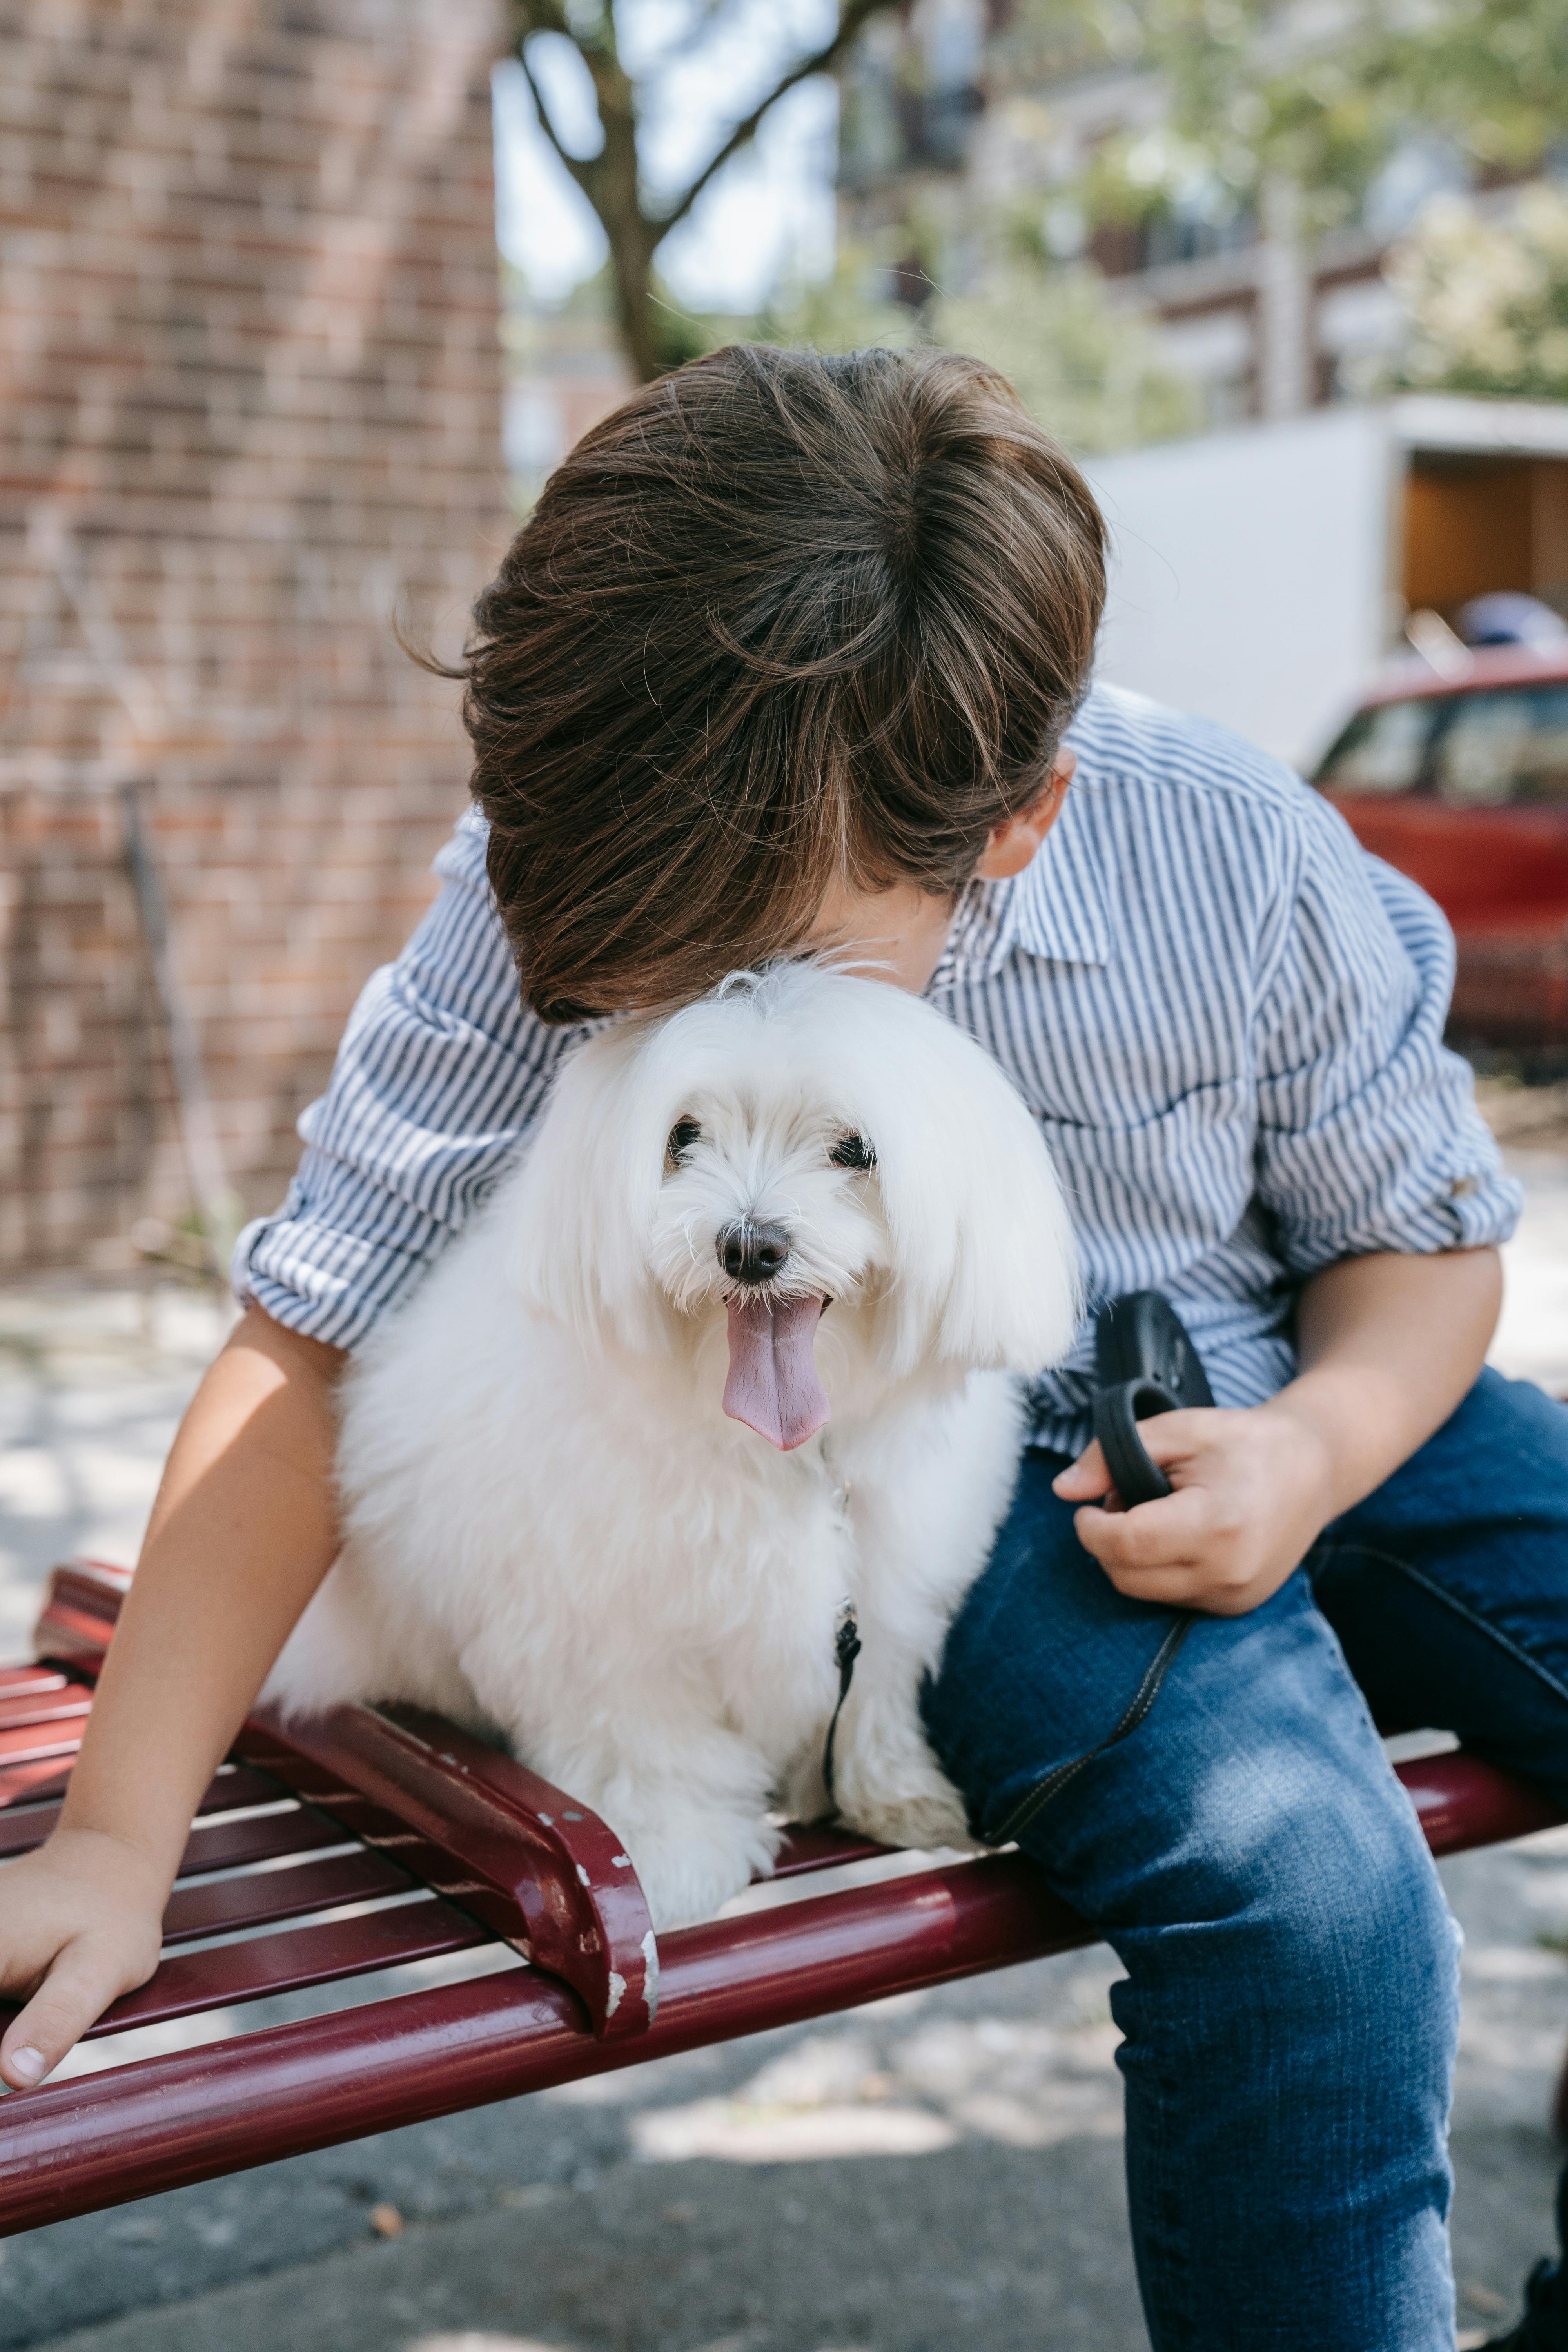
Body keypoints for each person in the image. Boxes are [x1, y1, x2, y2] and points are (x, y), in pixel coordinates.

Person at [0, 343, 1557, 2351]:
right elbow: (316, 1325)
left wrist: (1324, 1448)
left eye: (765, 955)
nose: (676, 982)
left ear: (1014, 822)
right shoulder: (569, 893)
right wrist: (121, 1840)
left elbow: (1424, 1247)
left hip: (1326, 1393)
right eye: (642, 965)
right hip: (954, 1476)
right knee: (1311, 1912)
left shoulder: (1236, 858)